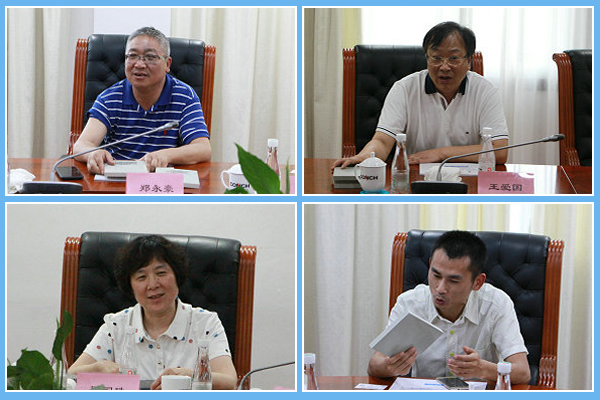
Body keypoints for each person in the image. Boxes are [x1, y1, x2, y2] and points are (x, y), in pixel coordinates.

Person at [333, 22, 509, 171]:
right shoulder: (404, 89)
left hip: (466, 180)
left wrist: (441, 154)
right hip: (415, 176)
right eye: (436, 58)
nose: (444, 66)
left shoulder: (485, 91)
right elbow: (382, 141)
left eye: (454, 58)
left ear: (468, 61)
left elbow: (500, 151)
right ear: (427, 58)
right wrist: (365, 156)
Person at [68, 235, 237, 390]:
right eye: (141, 277)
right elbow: (70, 376)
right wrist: (96, 369)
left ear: (177, 275)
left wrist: (188, 376)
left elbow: (229, 381)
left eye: (161, 273)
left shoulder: (206, 323)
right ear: (130, 286)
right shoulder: (116, 326)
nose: (153, 285)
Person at [368, 231, 530, 385]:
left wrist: (482, 368)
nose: (440, 289)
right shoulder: (410, 303)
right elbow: (375, 364)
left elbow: (523, 372)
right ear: (430, 265)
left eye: (453, 281)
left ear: (477, 282)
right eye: (436, 275)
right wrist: (389, 367)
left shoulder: (495, 304)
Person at [73, 27, 211, 175]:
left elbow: (203, 148)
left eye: (150, 57)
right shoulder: (109, 98)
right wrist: (93, 154)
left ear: (167, 64)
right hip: (118, 178)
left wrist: (166, 155)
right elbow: (81, 145)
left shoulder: (184, 96)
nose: (139, 64)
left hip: (162, 179)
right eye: (132, 56)